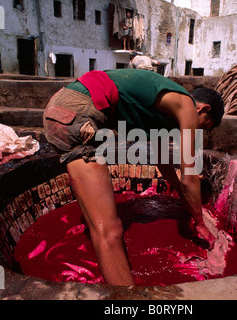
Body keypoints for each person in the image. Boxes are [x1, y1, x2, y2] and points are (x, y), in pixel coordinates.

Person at [43, 69, 224, 286]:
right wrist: (200, 222)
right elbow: (189, 175)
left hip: (59, 109)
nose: (197, 131)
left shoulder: (161, 116)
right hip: (81, 111)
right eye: (202, 126)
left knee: (97, 223)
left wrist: (183, 197)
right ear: (202, 109)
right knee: (108, 230)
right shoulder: (186, 104)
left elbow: (164, 164)